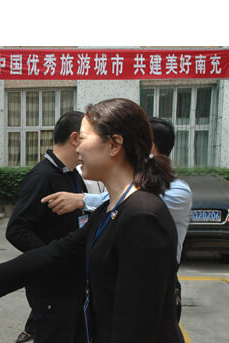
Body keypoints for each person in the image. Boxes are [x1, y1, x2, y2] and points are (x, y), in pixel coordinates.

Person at [0, 98, 190, 343]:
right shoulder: (112, 208)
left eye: (85, 137)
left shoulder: (142, 216)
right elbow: (57, 253)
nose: (77, 147)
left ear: (114, 145)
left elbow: (137, 332)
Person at [43, 116, 192, 320]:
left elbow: (129, 199)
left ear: (149, 146)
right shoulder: (129, 189)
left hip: (155, 287)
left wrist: (83, 199)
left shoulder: (176, 191)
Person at [5, 111, 91, 343]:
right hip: (50, 280)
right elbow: (16, 230)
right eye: (90, 135)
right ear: (75, 138)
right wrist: (50, 257)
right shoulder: (42, 177)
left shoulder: (72, 175)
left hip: (73, 277)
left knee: (70, 338)